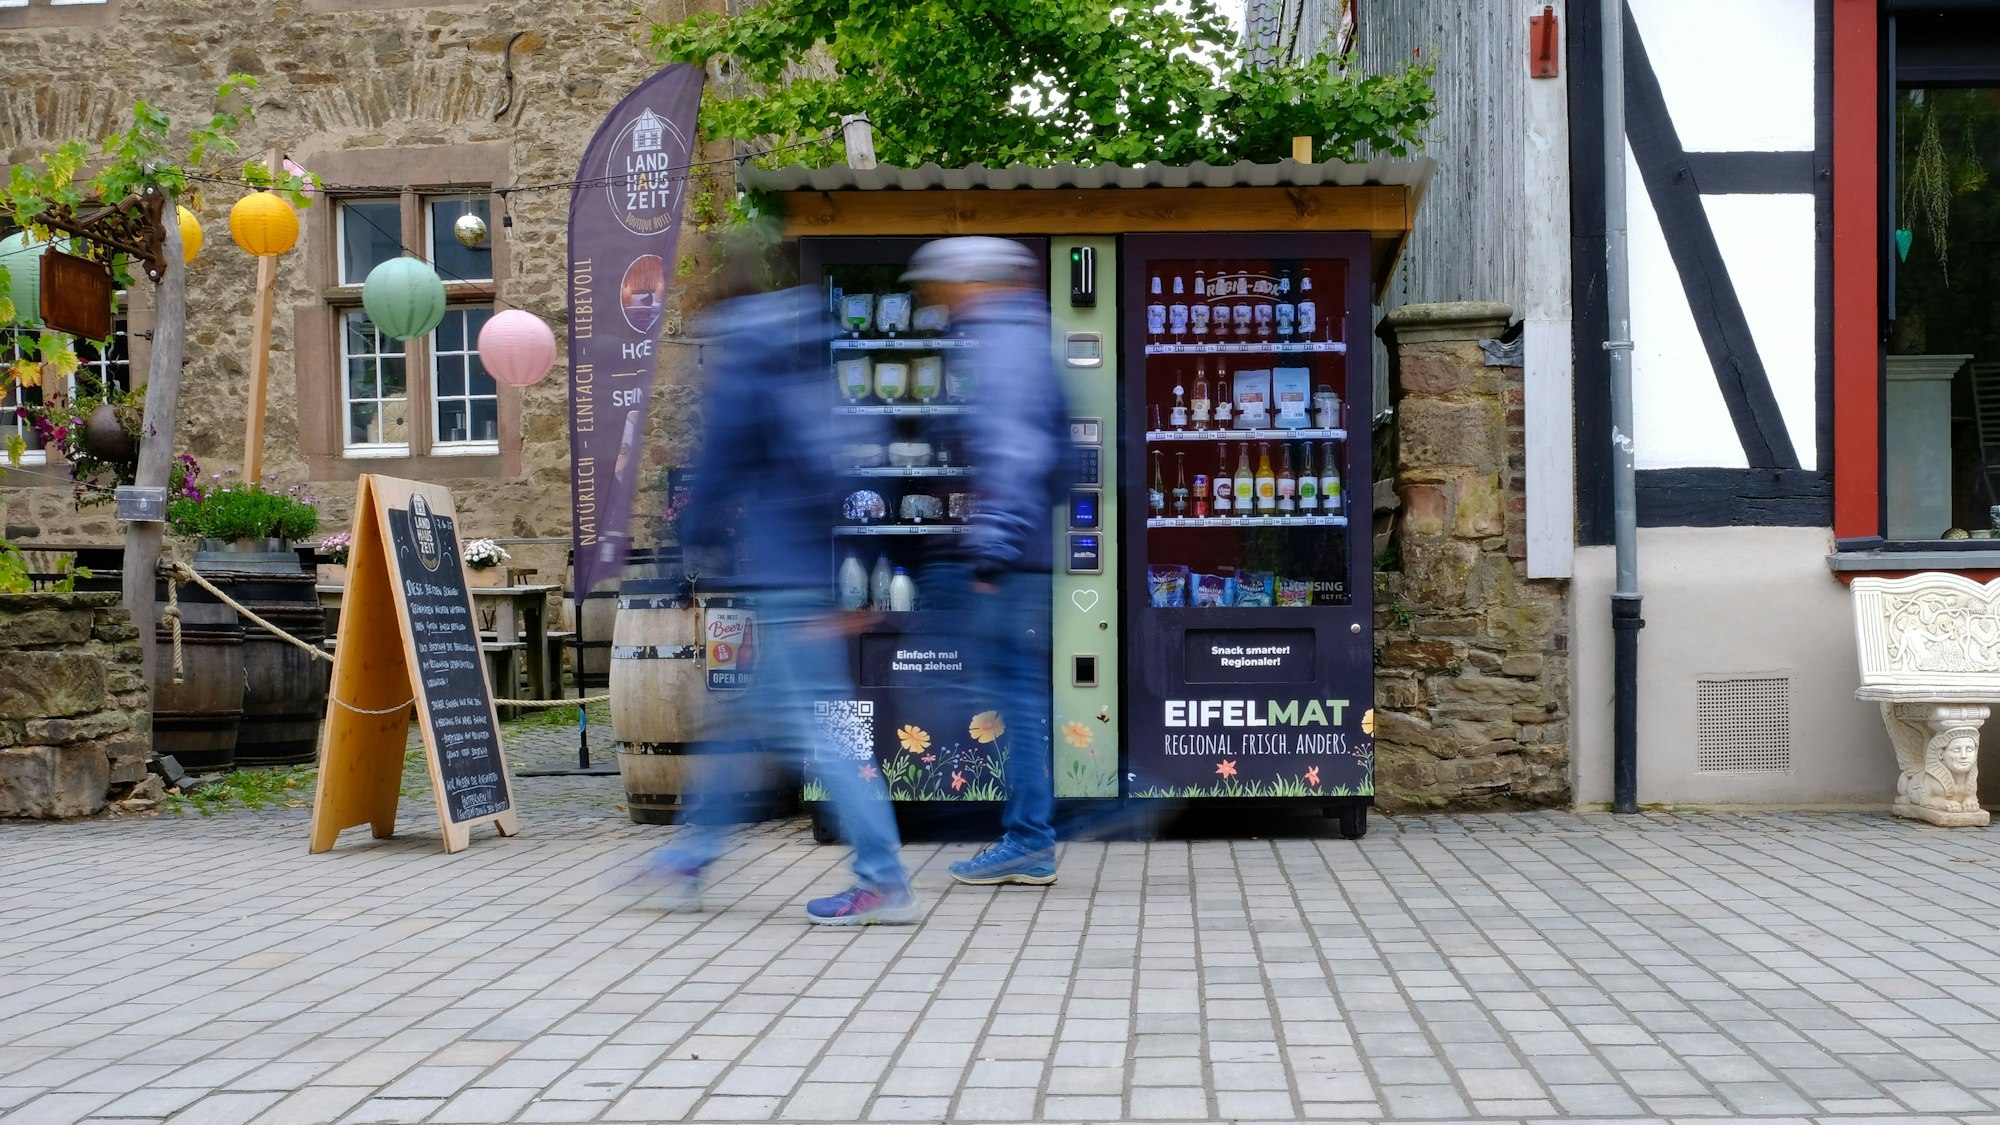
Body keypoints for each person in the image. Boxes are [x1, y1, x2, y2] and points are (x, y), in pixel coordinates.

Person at [648, 237, 918, 926]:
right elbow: (851, 478)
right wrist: (856, 579)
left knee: (822, 738)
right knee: (739, 727)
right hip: (806, 578)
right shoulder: (800, 362)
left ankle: (881, 874)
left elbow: (716, 470)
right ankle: (695, 848)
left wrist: (684, 549)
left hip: (779, 581)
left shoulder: (743, 366)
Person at [902, 237, 1074, 887]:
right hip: (1024, 549)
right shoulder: (1031, 331)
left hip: (1004, 556)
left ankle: (1028, 834)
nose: (935, 299)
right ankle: (1029, 832)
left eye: (940, 287)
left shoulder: (1003, 341)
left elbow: (1017, 449)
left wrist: (993, 550)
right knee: (1016, 692)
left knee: (991, 686)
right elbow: (1055, 461)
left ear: (970, 282)